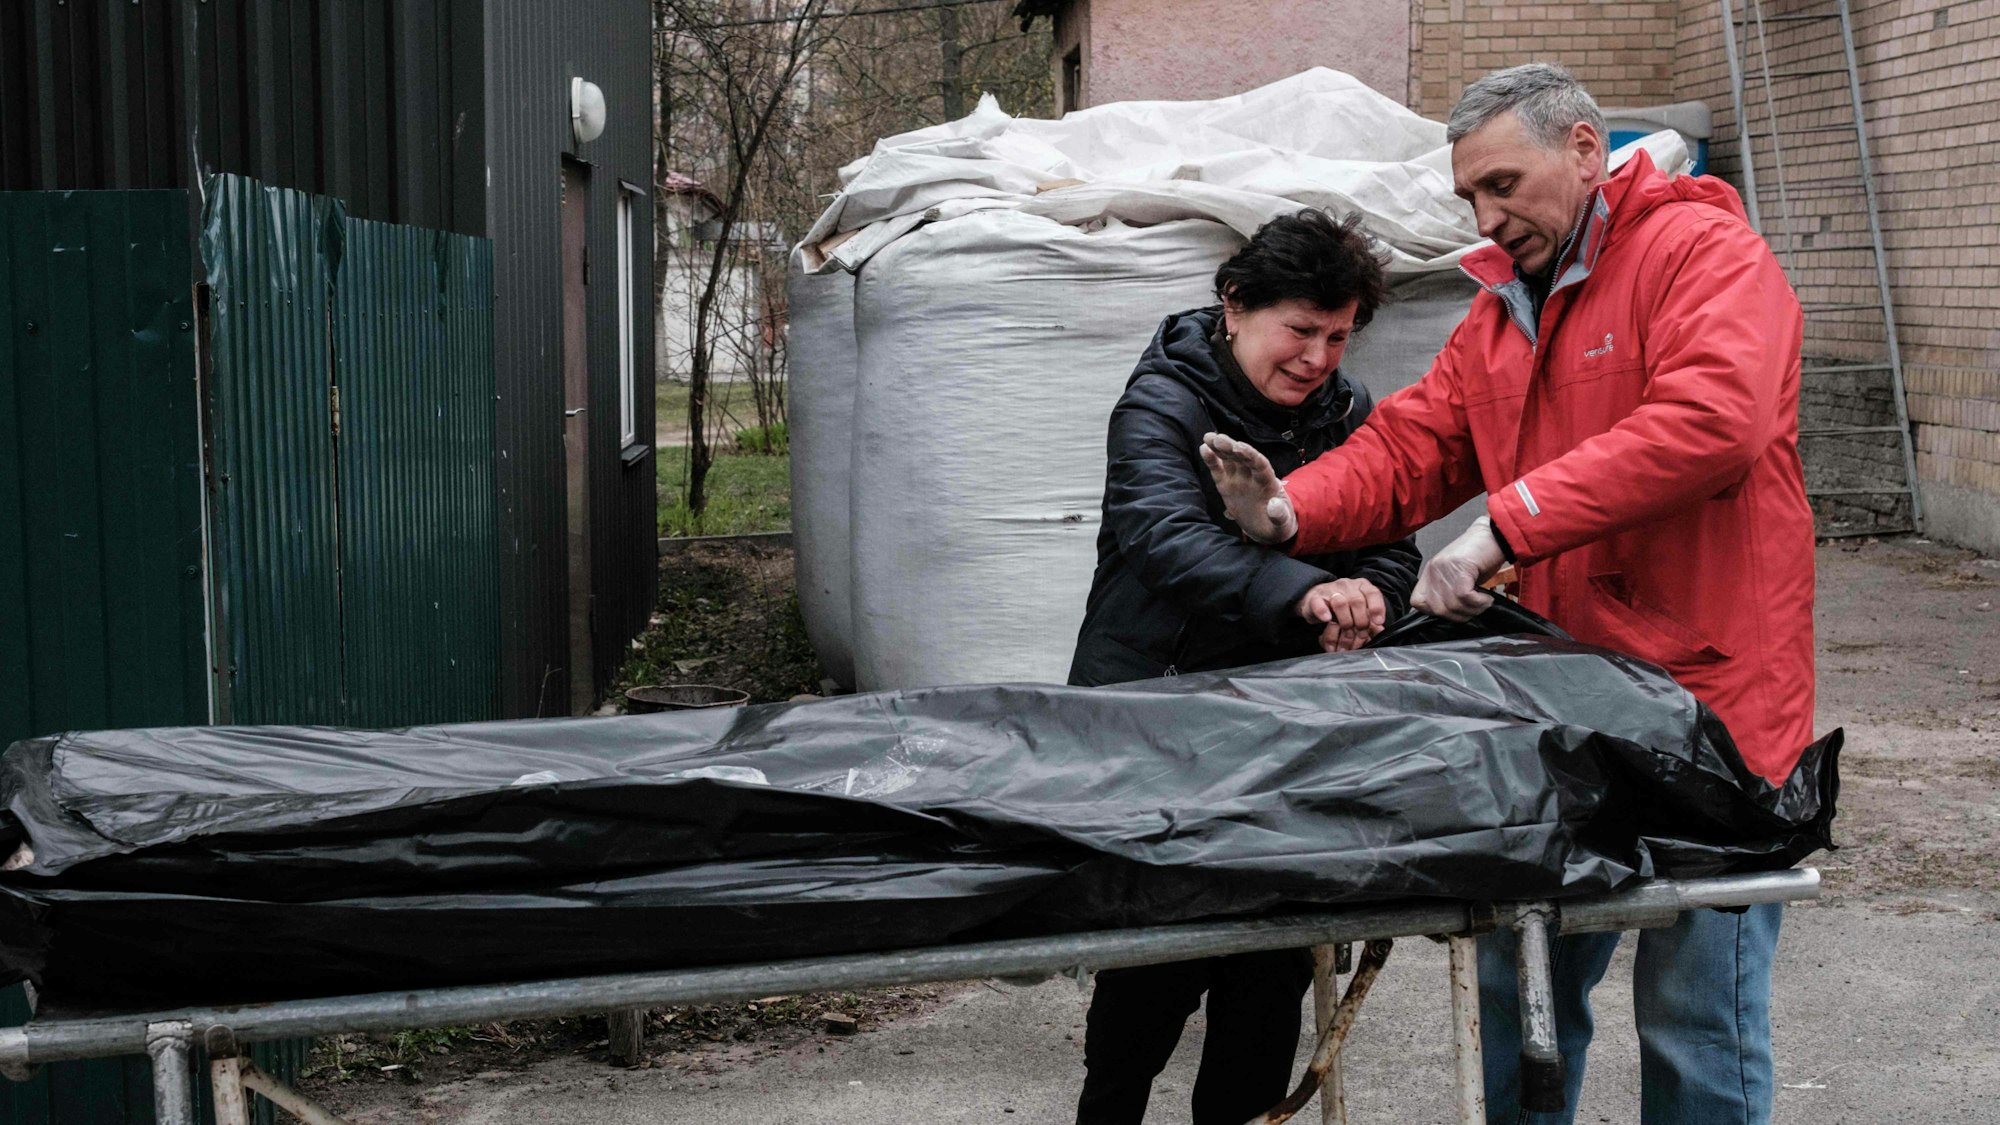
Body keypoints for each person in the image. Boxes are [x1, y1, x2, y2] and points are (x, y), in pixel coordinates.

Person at [1199, 64, 1815, 1125]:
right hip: (1560, 712)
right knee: (1521, 988)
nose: (1485, 215)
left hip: (1711, 713)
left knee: (1694, 1017)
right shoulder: (1499, 311)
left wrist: (1503, 521)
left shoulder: (1700, 255)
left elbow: (1715, 421)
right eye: (1468, 197)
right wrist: (1287, 513)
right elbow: (1411, 447)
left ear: (1583, 150)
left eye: (1502, 183)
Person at [1069, 208, 1421, 1125]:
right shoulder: (1163, 402)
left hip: (1291, 732)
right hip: (1161, 721)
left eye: (1338, 336)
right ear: (1234, 306)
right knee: (1154, 972)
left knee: (1269, 978)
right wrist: (1306, 594)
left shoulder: (1349, 413)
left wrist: (1373, 597)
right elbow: (1166, 540)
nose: (1319, 358)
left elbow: (1389, 534)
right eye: (1300, 330)